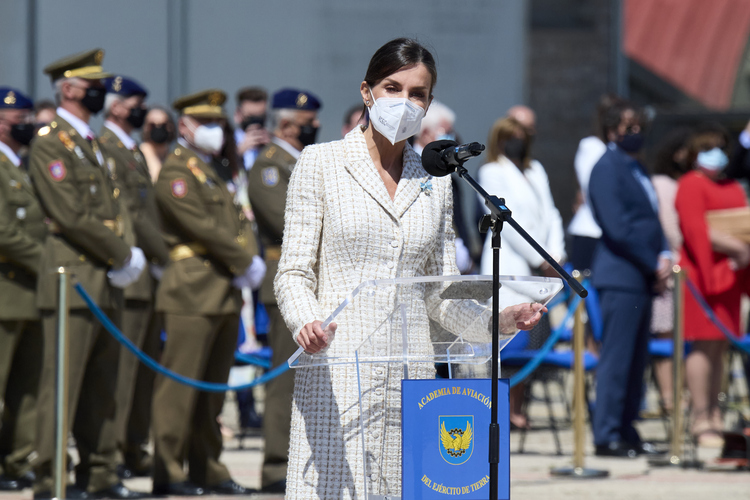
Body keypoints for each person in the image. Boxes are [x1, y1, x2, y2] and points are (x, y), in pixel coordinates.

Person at [275, 37, 546, 499]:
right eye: (392, 87)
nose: (404, 102)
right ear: (367, 92)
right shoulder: (320, 163)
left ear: (429, 102)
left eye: (417, 93)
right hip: (338, 366)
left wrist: (494, 321)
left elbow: (441, 292)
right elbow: (294, 271)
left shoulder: (435, 181)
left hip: (410, 377)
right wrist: (306, 322)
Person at [29, 48, 146, 499]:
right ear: (71, 89)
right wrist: (122, 253)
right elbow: (70, 215)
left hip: (102, 280)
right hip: (72, 279)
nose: (100, 92)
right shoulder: (49, 141)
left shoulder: (89, 143)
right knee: (62, 385)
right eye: (93, 85)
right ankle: (50, 477)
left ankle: (99, 473)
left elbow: (114, 206)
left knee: (103, 387)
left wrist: (125, 252)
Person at [151, 89, 264, 496]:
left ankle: (207, 467)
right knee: (180, 388)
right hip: (192, 290)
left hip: (223, 289)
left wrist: (246, 258)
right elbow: (201, 226)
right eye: (206, 123)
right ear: (184, 126)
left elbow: (238, 219)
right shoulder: (177, 170)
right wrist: (243, 261)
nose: (216, 131)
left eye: (219, 123)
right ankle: (168, 470)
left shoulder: (211, 168)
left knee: (211, 392)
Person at [246, 87, 321, 493]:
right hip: (286, 283)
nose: (316, 128)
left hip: (315, 284)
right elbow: (284, 221)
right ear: (288, 125)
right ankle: (277, 465)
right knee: (284, 381)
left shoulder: (305, 162)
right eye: (309, 123)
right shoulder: (269, 167)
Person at [588, 101, 671, 458]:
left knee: (637, 360)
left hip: (641, 275)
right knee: (618, 358)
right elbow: (618, 228)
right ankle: (607, 433)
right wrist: (653, 262)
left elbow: (650, 220)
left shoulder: (635, 166)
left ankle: (627, 428)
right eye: (628, 127)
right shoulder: (607, 167)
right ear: (611, 131)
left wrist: (664, 254)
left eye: (639, 127)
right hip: (621, 274)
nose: (636, 134)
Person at [99, 76, 170, 479]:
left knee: (143, 374)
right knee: (122, 374)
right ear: (115, 106)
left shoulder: (130, 149)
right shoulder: (108, 147)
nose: (140, 111)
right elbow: (132, 212)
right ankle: (112, 453)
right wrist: (163, 256)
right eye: (133, 103)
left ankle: (132, 445)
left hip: (148, 274)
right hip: (133, 272)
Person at [477, 115, 566, 428]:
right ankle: (501, 410)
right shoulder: (491, 171)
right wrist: (541, 258)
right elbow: (510, 225)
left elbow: (552, 213)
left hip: (544, 265)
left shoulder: (535, 169)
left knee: (535, 335)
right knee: (509, 338)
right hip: (515, 262)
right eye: (511, 136)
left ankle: (519, 406)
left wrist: (555, 255)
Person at [676, 123, 750, 448]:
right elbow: (696, 229)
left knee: (720, 347)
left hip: (730, 276)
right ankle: (700, 417)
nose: (715, 154)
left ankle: (715, 412)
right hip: (702, 277)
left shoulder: (731, 185)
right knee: (703, 346)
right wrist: (735, 247)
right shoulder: (690, 184)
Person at [0, 87, 45, 492]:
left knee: (26, 388)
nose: (27, 124)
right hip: (5, 291)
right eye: (19, 118)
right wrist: (48, 262)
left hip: (29, 293)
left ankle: (17, 461)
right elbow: (3, 232)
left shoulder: (24, 164)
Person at [649, 127, 693, 413]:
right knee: (665, 335)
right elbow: (671, 229)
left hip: (683, 270)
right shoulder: (663, 184)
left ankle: (681, 394)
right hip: (670, 268)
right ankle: (669, 397)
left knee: (682, 337)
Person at [567, 94, 623, 271]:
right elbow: (596, 188)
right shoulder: (591, 146)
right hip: (591, 232)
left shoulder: (617, 150)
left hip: (610, 232)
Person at [233, 86, 269, 171]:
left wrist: (272, 148)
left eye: (260, 117)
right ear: (238, 114)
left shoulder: (273, 140)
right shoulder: (228, 141)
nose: (255, 122)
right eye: (250, 117)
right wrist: (238, 153)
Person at [139, 106, 175, 182]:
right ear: (145, 127)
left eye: (163, 125)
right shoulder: (139, 156)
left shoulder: (173, 154)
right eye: (152, 125)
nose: (158, 128)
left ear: (171, 127)